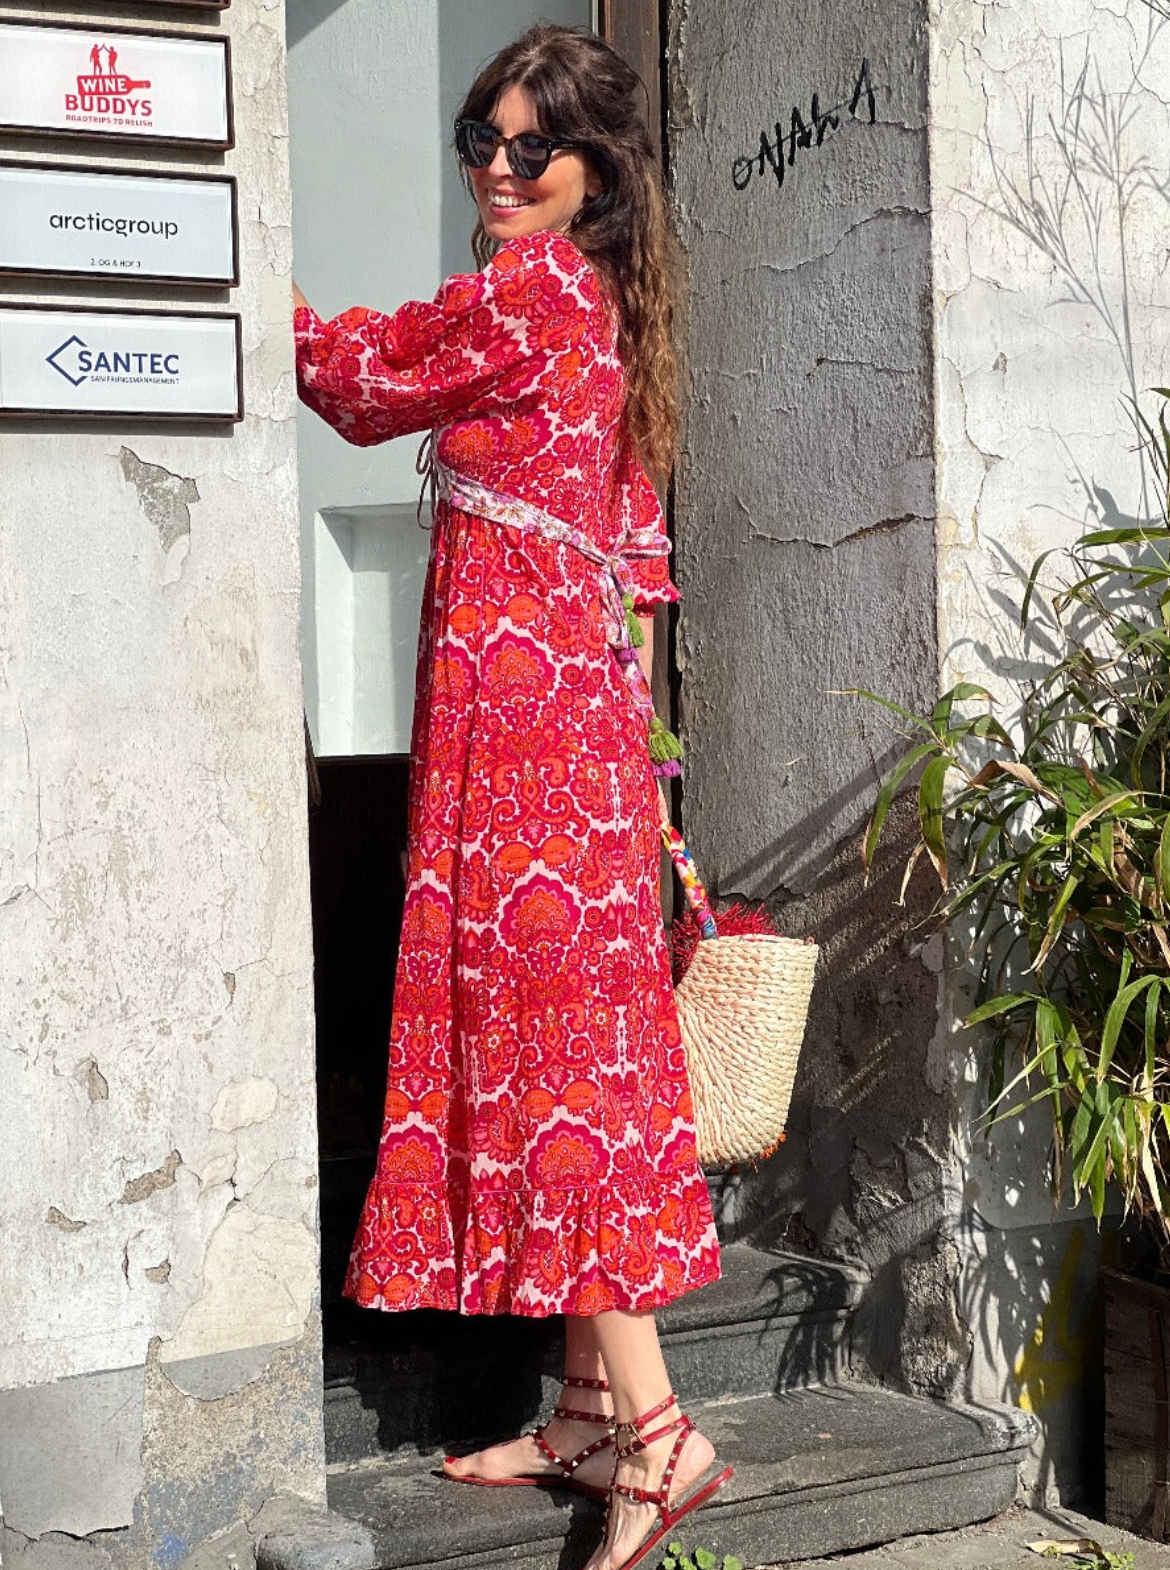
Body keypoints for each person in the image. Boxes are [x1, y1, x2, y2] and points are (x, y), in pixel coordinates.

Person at [293, 25, 730, 1570]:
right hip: (573, 730)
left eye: (528, 147)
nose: (493, 165)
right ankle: (585, 1413)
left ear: (591, 171)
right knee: (572, 1051)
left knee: (557, 1079)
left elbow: (356, 380)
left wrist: (229, 283)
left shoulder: (536, 291)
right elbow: (641, 560)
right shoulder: (606, 304)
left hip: (529, 739)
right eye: (476, 137)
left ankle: (660, 1435)